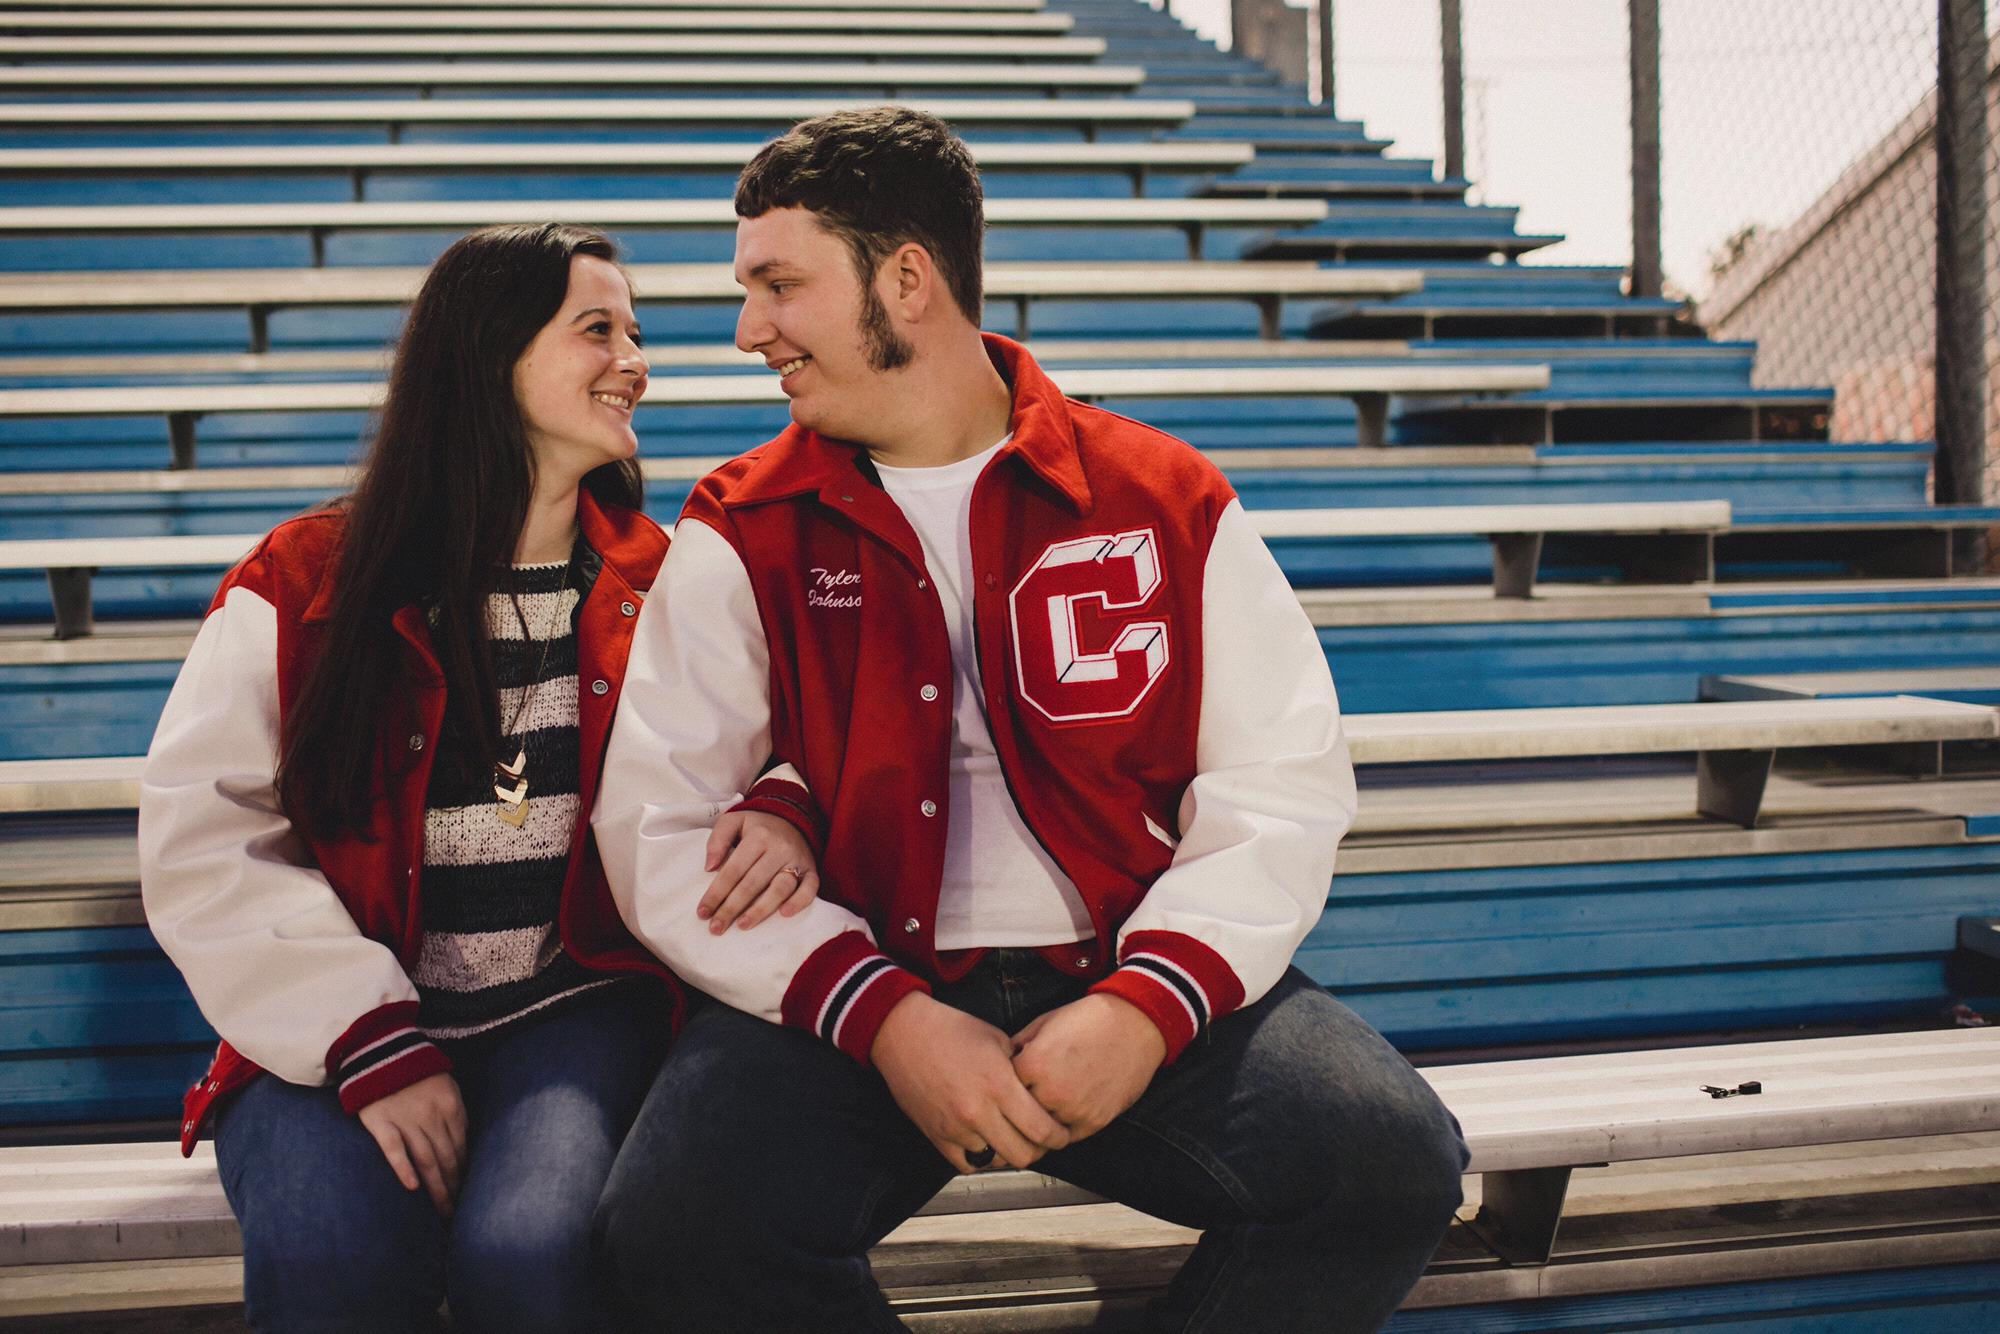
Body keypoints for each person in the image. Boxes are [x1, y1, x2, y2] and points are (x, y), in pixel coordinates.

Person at [590, 107, 1468, 1333]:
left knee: (1390, 1161)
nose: (749, 330)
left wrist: (1147, 1003)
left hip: (1121, 966)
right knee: (675, 1222)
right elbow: (661, 820)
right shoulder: (744, 522)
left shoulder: (1158, 493)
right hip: (866, 983)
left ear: (906, 279)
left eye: (779, 285)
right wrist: (881, 1014)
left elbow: (1277, 779)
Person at [138, 223, 824, 1334]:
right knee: (330, 1250)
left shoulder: (666, 580)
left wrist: (783, 800)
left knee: (529, 1253)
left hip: (572, 1011)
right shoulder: (301, 580)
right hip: (333, 1024)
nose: (635, 362)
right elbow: (209, 840)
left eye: (636, 334)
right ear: (487, 354)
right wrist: (365, 1035)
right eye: (597, 330)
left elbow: (787, 738)